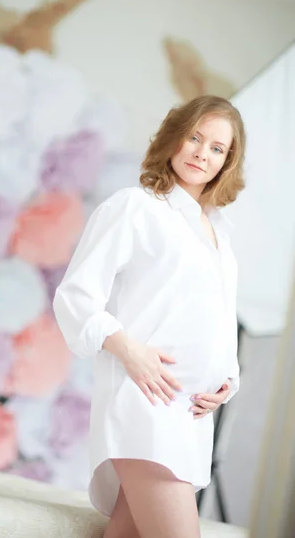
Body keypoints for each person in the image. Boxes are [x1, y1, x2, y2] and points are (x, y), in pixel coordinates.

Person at [53, 95, 246, 538]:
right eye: (194, 137)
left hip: (191, 418)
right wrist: (129, 350)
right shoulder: (134, 208)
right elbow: (76, 296)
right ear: (173, 138)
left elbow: (216, 317)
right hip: (146, 405)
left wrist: (226, 383)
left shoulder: (218, 233)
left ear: (227, 162)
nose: (202, 152)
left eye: (217, 148)